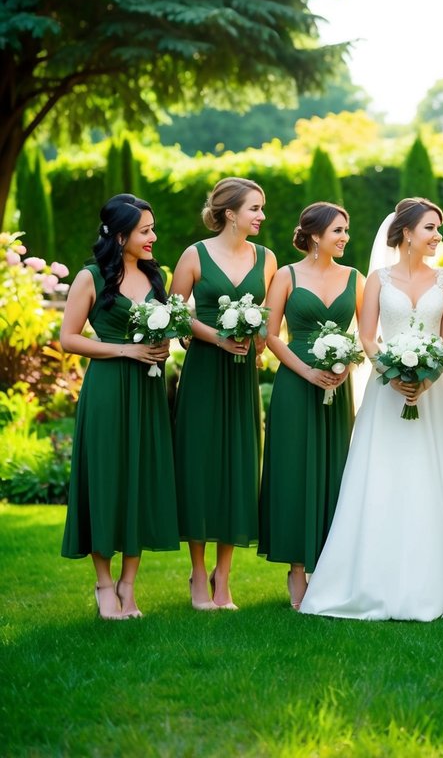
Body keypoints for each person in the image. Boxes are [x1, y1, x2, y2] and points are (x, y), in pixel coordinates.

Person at [300, 198, 443, 620]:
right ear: (405, 233)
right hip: (387, 392)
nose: (438, 236)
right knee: (383, 477)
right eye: (430, 229)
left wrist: (428, 374)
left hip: (433, 393)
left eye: (438, 228)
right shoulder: (378, 279)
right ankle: (370, 581)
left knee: (437, 478)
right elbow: (366, 337)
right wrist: (393, 373)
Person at [60, 194, 178, 619]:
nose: (153, 237)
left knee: (138, 481)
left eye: (152, 229)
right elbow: (68, 338)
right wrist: (125, 351)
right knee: (108, 480)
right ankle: (104, 584)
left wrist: (162, 347)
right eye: (146, 230)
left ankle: (129, 586)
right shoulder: (90, 277)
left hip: (148, 392)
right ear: (122, 234)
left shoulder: (155, 276)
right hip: (109, 389)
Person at [171, 177, 276, 610]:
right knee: (198, 464)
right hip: (203, 371)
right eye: (255, 208)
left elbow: (270, 316)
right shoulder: (193, 255)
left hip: (241, 375)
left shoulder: (267, 259)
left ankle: (223, 577)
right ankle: (198, 573)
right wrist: (216, 337)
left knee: (239, 464)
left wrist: (260, 342)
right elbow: (173, 314)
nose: (261, 216)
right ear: (230, 213)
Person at [258, 202, 364, 609]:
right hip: (295, 384)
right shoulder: (286, 276)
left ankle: (330, 567)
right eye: (338, 231)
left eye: (346, 230)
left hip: (337, 388)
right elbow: (271, 335)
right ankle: (297, 570)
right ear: (315, 235)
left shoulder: (355, 278)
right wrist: (306, 371)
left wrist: (347, 363)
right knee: (294, 470)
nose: (344, 238)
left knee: (334, 471)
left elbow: (366, 331)